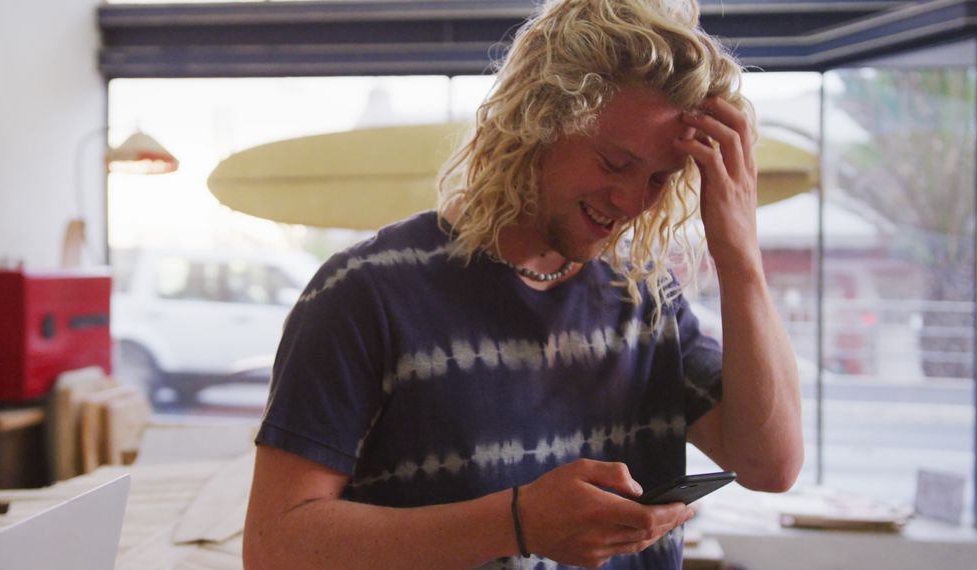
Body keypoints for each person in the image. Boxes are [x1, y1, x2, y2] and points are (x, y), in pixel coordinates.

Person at [244, 0, 803, 568]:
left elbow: (770, 466)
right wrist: (515, 524)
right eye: (614, 163)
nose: (632, 202)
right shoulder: (364, 292)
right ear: (538, 119)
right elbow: (274, 546)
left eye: (659, 178)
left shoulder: (646, 297)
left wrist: (740, 258)